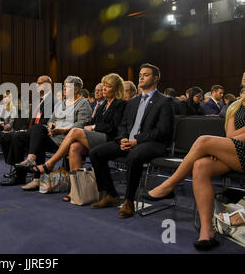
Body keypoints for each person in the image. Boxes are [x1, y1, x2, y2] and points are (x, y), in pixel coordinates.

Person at [145, 94, 245, 251]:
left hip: (239, 151)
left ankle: (171, 184)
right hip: (235, 152)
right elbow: (230, 136)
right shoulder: (235, 107)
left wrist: (218, 146)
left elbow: (234, 138)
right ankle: (207, 231)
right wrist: (221, 147)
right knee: (200, 165)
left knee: (203, 141)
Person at [88, 63, 174, 219]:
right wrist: (122, 139)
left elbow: (162, 131)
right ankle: (111, 195)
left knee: (134, 155)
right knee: (95, 153)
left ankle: (129, 201)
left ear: (156, 78)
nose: (141, 77)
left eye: (146, 74)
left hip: (152, 144)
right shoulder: (133, 102)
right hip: (129, 141)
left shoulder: (164, 101)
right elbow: (123, 125)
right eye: (140, 74)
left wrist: (136, 141)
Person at [37, 73, 127, 201]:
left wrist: (94, 127)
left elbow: (113, 127)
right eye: (104, 86)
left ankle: (50, 163)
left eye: (108, 86)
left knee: (74, 131)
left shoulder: (121, 104)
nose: (103, 89)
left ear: (117, 89)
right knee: (74, 147)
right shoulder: (102, 106)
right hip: (97, 137)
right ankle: (76, 190)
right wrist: (93, 127)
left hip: (110, 139)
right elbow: (92, 122)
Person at [14, 76, 92, 191]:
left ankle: (36, 177)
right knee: (30, 133)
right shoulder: (61, 103)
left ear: (76, 89)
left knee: (38, 136)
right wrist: (51, 126)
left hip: (67, 139)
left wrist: (63, 129)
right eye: (64, 86)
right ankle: (30, 164)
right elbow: (51, 120)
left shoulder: (83, 104)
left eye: (67, 86)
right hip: (54, 136)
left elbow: (81, 125)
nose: (64, 88)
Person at [0, 75, 55, 186]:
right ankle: (18, 168)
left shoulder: (52, 100)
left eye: (40, 83)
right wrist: (23, 130)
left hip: (43, 133)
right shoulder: (38, 100)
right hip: (32, 130)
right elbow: (31, 119)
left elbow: (45, 122)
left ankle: (20, 174)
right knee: (5, 136)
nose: (36, 85)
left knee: (17, 137)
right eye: (37, 83)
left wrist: (26, 132)